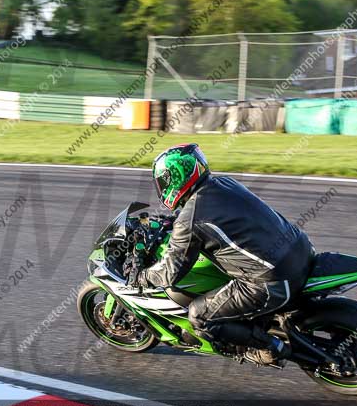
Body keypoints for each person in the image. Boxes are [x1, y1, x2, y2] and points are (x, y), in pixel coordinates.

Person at [133, 143, 315, 364]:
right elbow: (218, 218)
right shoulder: (224, 183)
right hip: (301, 250)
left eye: (164, 181)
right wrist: (174, 222)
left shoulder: (190, 219)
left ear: (176, 179)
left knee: (199, 316)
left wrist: (142, 276)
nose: (162, 187)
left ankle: (269, 347)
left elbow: (171, 273)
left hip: (271, 282)